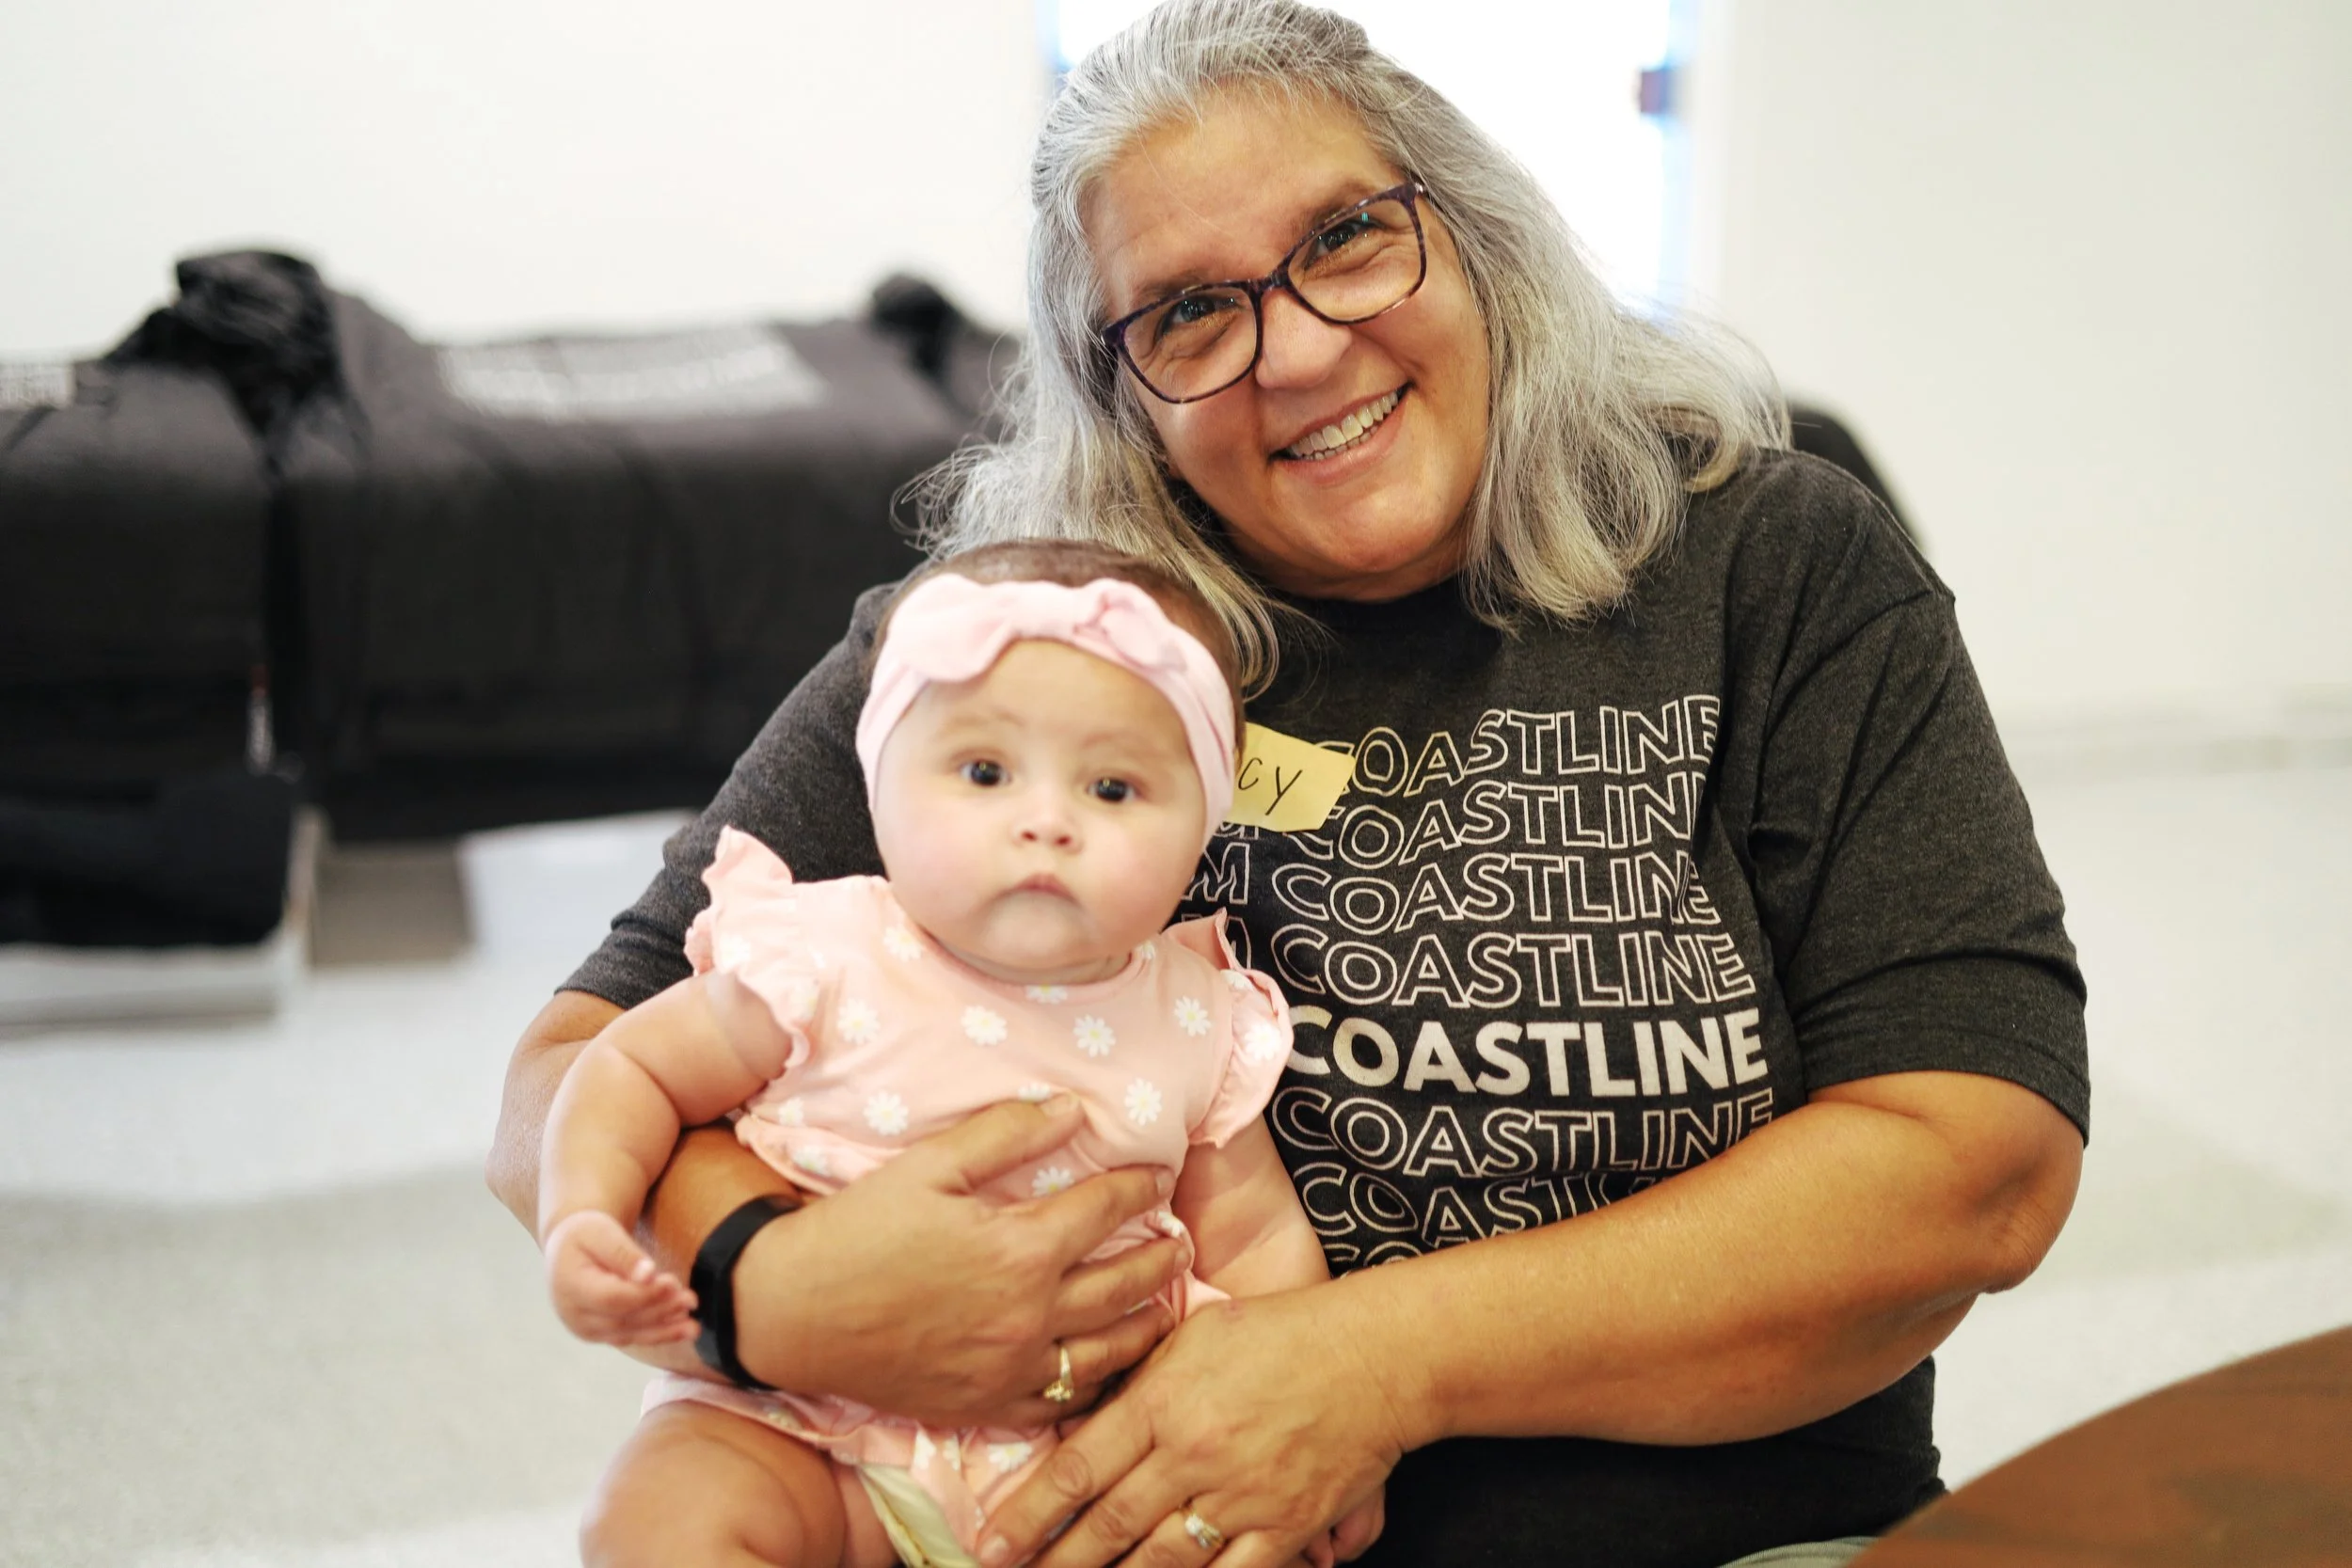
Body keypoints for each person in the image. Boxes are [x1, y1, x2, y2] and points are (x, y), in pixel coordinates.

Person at [487, 3, 2090, 1564]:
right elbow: (561, 1075)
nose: (1304, 350)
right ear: (1119, 392)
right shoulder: (1031, 644)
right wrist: (765, 1279)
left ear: (1471, 235)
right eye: (1190, 311)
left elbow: (1979, 1163)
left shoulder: (1774, 563)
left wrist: (1374, 1361)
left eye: (1346, 238)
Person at [533, 543, 1364, 1568]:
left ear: (1204, 825)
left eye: (1112, 788)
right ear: (877, 785)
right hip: (800, 1423)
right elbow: (630, 1069)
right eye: (984, 772)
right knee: (659, 1519)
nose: (1046, 823)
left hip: (1075, 1458)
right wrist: (581, 1212)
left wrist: (1316, 1423)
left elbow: (1255, 1239)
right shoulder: (820, 956)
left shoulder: (1197, 1017)